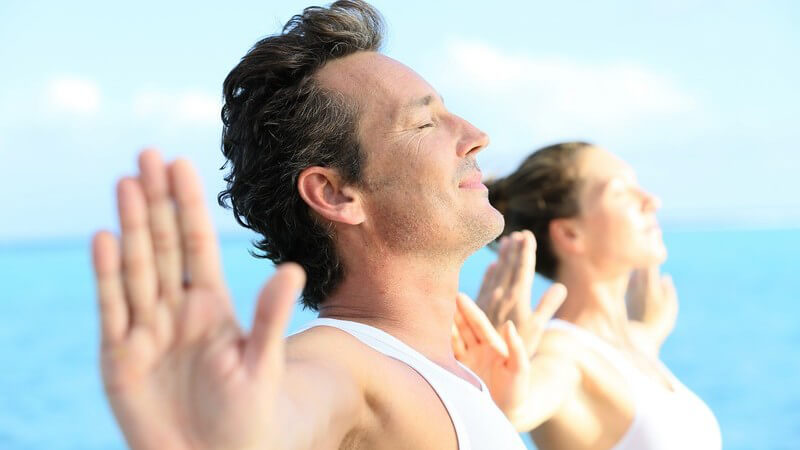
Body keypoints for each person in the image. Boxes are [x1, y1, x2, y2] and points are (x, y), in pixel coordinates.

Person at [90, 1, 566, 449]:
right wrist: (233, 432)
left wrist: (490, 409)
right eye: (424, 124)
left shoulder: (443, 375)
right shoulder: (341, 364)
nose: (476, 137)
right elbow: (290, 406)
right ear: (335, 193)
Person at [451, 142, 722, 450]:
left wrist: (649, 331)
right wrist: (501, 397)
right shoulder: (562, 353)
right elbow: (526, 401)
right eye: (620, 192)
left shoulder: (632, 343)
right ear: (569, 234)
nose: (651, 200)